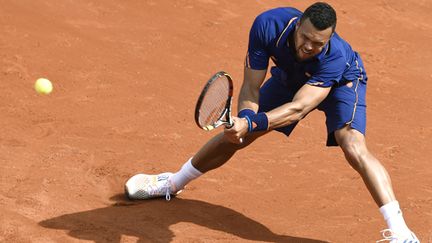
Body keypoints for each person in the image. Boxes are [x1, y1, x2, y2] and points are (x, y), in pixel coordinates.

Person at [124, 2, 419, 242]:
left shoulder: (335, 57)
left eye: (317, 43)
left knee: (352, 144)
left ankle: (401, 232)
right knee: (237, 137)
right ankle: (172, 183)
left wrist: (252, 124)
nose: (308, 46)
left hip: (339, 84)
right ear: (298, 24)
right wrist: (246, 121)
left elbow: (298, 109)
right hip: (291, 77)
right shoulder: (268, 25)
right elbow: (250, 87)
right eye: (304, 37)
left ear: (328, 40)